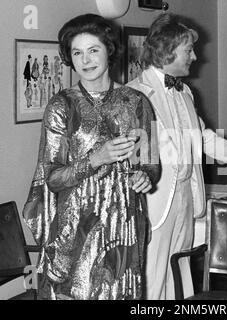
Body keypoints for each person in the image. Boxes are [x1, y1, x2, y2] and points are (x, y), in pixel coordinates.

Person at [22, 13, 160, 300]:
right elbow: (53, 178)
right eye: (77, 53)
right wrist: (96, 159)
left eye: (93, 50)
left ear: (109, 50)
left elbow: (150, 162)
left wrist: (144, 176)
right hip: (76, 227)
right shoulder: (61, 106)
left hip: (123, 223)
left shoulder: (136, 102)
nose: (85, 60)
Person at [127, 13, 227, 300]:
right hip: (153, 202)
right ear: (167, 51)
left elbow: (202, 138)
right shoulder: (133, 94)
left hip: (185, 198)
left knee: (180, 274)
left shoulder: (186, 93)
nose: (194, 57)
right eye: (188, 50)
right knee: (152, 276)